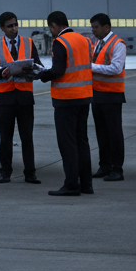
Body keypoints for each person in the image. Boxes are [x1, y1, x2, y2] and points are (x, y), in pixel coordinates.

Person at [37, 11, 93, 196]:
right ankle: (86, 184)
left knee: (67, 143)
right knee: (81, 141)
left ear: (54, 25)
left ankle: (71, 184)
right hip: (84, 96)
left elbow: (59, 70)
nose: (51, 32)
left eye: (50, 28)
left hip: (66, 98)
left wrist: (42, 75)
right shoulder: (84, 40)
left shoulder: (60, 42)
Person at [0, 11, 43, 183]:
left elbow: (38, 65)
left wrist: (30, 70)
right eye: (10, 26)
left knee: (27, 137)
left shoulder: (28, 42)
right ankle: (5, 172)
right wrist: (0, 73)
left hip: (25, 96)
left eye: (16, 24)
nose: (14, 28)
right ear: (2, 28)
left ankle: (30, 172)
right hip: (5, 97)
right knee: (6, 138)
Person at [90, 14, 126, 181]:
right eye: (92, 27)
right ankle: (104, 166)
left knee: (114, 133)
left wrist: (89, 67)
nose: (93, 31)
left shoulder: (118, 45)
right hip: (97, 94)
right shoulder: (97, 44)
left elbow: (116, 68)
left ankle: (117, 169)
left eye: (96, 27)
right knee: (102, 133)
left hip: (112, 95)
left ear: (107, 27)